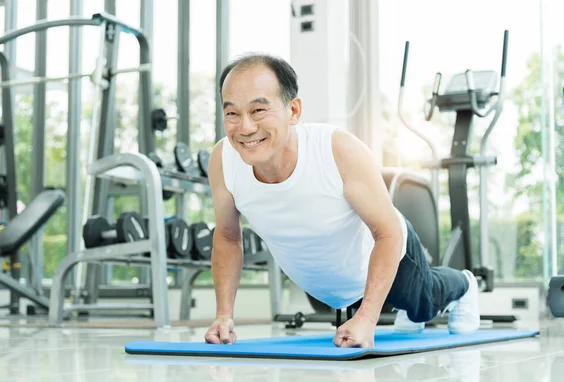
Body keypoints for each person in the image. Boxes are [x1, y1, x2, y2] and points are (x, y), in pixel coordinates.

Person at [204, 53, 480, 348]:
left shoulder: (337, 150)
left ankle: (464, 284)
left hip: (390, 257)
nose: (245, 128)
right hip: (328, 283)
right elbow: (227, 237)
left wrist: (368, 318)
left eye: (258, 110)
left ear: (293, 110)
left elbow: (387, 232)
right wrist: (223, 315)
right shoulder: (224, 160)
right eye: (232, 113)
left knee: (423, 303)